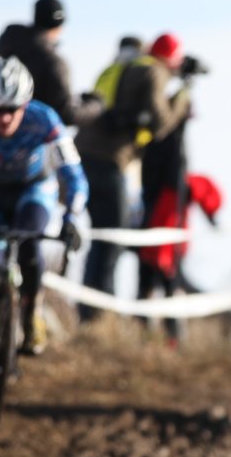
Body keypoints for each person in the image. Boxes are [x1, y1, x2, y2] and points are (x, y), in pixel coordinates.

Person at [0, 56, 88, 427]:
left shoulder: (45, 120)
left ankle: (31, 311)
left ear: (26, 104)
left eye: (12, 109)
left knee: (30, 241)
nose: (4, 118)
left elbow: (74, 176)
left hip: (33, 192)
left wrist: (72, 218)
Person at [73, 35, 154, 319]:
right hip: (111, 160)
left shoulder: (107, 70)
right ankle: (103, 308)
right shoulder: (145, 69)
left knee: (98, 235)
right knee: (114, 236)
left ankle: (87, 308)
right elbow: (152, 119)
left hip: (82, 157)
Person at [136, 33, 197, 302]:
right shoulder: (155, 77)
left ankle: (156, 316)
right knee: (161, 258)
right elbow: (163, 124)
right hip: (165, 185)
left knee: (157, 255)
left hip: (156, 182)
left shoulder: (148, 78)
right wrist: (182, 98)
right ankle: (163, 319)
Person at [137, 172, 222, 345]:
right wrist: (164, 255)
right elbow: (167, 219)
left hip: (164, 249)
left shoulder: (182, 187)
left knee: (169, 291)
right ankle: (157, 340)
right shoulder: (177, 188)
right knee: (163, 291)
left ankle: (169, 340)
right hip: (162, 251)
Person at [0, 0, 78, 127]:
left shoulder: (4, 51)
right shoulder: (53, 63)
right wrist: (94, 106)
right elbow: (66, 114)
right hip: (36, 141)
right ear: (59, 25)